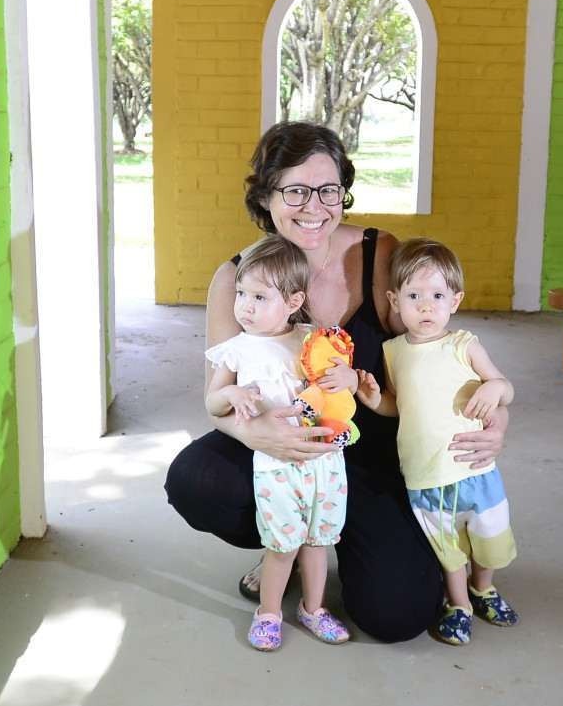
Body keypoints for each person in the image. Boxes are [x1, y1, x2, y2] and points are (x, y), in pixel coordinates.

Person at [164, 121, 510, 643]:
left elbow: (435, 352)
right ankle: (287, 542)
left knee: (397, 617)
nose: (314, 206)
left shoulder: (377, 254)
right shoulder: (235, 279)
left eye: (328, 189)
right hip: (283, 453)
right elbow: (218, 401)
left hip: (374, 455)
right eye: (295, 190)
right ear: (265, 195)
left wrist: (496, 413)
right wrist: (256, 434)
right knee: (196, 480)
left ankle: (359, 545)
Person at [356, 238, 519, 645]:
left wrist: (495, 389)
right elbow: (399, 407)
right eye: (414, 296)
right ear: (394, 300)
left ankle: (484, 588)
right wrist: (375, 398)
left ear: (455, 300)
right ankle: (459, 602)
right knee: (447, 547)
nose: (426, 306)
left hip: (472, 467)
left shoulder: (464, 344)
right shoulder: (394, 352)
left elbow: (506, 387)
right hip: (425, 473)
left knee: (488, 538)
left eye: (437, 296)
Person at [203, 234, 353, 651]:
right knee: (283, 543)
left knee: (318, 542)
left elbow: (341, 383)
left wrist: (349, 378)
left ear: (293, 301)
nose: (245, 307)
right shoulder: (236, 350)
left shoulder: (312, 339)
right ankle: (268, 612)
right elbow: (213, 402)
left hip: (324, 460)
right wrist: (232, 395)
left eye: (259, 296)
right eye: (242, 294)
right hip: (276, 462)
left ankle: (313, 608)